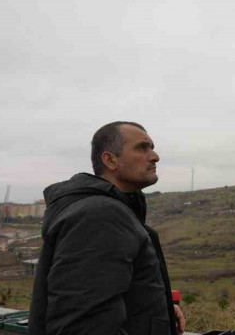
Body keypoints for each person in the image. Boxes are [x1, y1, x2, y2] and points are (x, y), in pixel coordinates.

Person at [28, 121, 186, 335]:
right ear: (110, 160)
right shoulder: (99, 215)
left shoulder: (108, 210)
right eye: (142, 147)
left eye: (152, 147)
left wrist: (158, 311)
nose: (155, 156)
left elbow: (106, 290)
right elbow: (83, 325)